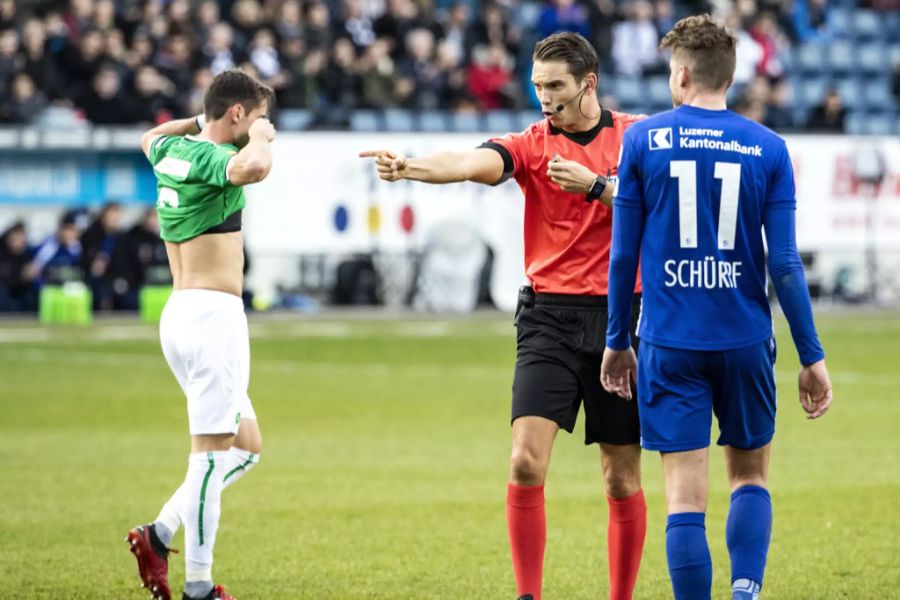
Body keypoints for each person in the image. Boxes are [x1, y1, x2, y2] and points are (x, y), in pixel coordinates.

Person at [361, 32, 646, 600]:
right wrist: (412, 167)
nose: (544, 97)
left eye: (556, 86)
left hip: (623, 320)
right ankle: (527, 596)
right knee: (524, 461)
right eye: (537, 85)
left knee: (620, 476)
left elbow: (664, 203)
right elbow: (471, 161)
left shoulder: (636, 137)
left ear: (588, 83)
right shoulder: (533, 146)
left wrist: (600, 189)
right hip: (549, 318)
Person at [600, 15, 833, 600]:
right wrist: (811, 355)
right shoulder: (768, 147)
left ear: (680, 74)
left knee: (683, 497)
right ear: (730, 76)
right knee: (750, 477)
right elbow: (784, 264)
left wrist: (616, 341)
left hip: (671, 341)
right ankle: (746, 591)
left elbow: (623, 255)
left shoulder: (642, 140)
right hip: (744, 339)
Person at [125, 69, 276, 600]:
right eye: (255, 115)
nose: (262, 125)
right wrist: (261, 135)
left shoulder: (172, 151)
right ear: (236, 114)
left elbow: (150, 137)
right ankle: (198, 588)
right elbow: (253, 166)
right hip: (213, 318)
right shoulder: (216, 158)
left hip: (181, 312)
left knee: (246, 447)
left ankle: (158, 533)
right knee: (210, 457)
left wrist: (201, 118)